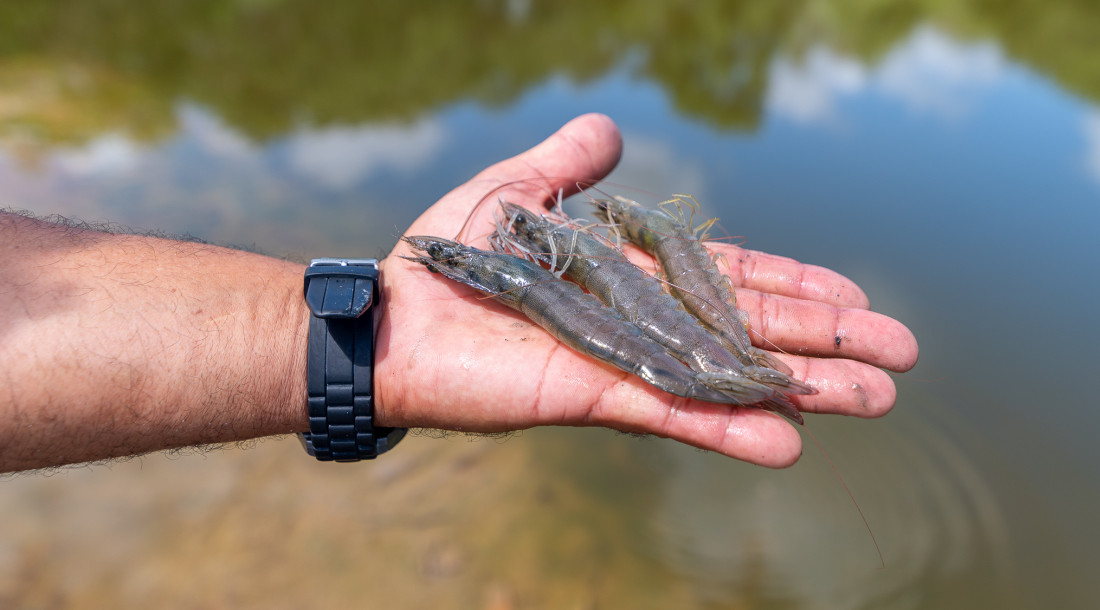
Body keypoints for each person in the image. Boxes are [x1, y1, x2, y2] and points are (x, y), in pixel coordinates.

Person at [0, 114, 917, 473]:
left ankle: (746, 374)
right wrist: (376, 329)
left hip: (549, 282)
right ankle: (738, 374)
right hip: (523, 283)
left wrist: (322, 341)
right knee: (648, 345)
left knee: (666, 345)